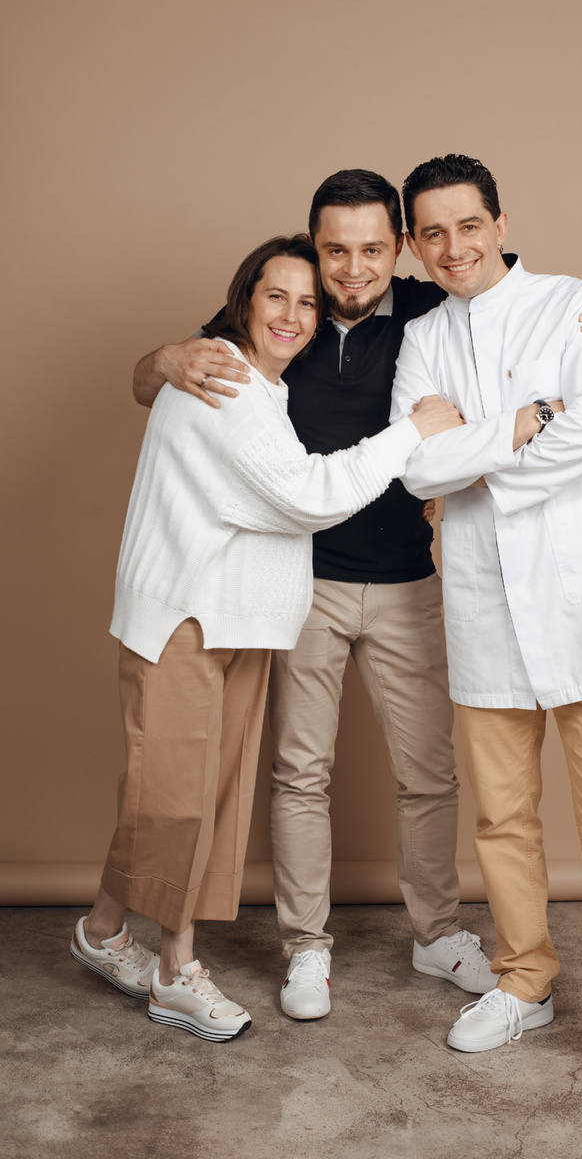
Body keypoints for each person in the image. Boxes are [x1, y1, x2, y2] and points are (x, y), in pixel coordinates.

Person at [132, 170, 582, 1022]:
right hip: (303, 581)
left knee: (430, 773)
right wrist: (158, 359)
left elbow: (507, 293)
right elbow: (155, 382)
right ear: (313, 246)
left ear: (399, 247)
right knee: (300, 772)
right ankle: (306, 945)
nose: (354, 267)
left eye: (374, 248)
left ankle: (436, 932)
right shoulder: (281, 314)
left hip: (410, 580)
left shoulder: (428, 307)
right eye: (336, 250)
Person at [71, 234, 462, 1043]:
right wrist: (413, 431)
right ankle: (175, 972)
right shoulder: (223, 379)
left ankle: (103, 932)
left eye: (307, 302)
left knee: (194, 797)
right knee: (178, 801)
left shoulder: (265, 387)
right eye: (276, 296)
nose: (293, 314)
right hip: (185, 619)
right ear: (243, 301)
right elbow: (308, 495)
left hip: (237, 621)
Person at [390, 154, 582, 1110]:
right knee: (503, 820)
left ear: (500, 223)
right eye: (432, 232)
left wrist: (476, 458)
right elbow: (416, 469)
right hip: (483, 608)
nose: (453, 247)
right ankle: (523, 980)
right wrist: (522, 424)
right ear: (414, 243)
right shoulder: (422, 337)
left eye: (468, 225)